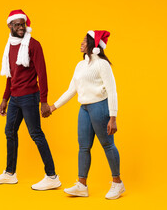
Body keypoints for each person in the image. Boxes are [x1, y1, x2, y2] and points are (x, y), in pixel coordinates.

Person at [0, 10, 61, 190]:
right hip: (14, 98)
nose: (21, 27)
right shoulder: (10, 45)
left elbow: (42, 74)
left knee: (36, 134)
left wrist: (43, 101)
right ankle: (10, 173)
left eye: (23, 24)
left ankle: (52, 176)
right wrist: (5, 98)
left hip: (30, 96)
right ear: (10, 26)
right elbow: (10, 75)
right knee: (10, 132)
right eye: (17, 25)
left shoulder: (33, 45)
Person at [50, 30, 125, 199]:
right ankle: (81, 185)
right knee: (83, 146)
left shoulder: (102, 64)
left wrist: (113, 117)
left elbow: (112, 90)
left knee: (107, 144)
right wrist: (53, 107)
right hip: (84, 109)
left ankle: (117, 183)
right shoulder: (80, 65)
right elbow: (72, 90)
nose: (81, 43)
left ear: (93, 45)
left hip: (100, 107)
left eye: (84, 41)